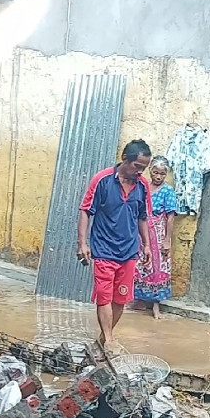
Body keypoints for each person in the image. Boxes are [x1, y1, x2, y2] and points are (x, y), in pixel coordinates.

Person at [77, 139, 152, 350]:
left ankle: (103, 339)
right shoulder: (102, 180)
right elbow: (85, 210)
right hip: (103, 250)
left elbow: (142, 217)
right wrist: (82, 243)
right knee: (104, 297)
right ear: (124, 159)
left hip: (129, 251)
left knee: (121, 298)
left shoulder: (143, 186)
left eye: (143, 168)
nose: (140, 172)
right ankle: (109, 341)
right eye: (137, 166)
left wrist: (146, 245)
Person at [134, 156, 177, 319]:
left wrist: (167, 240)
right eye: (155, 172)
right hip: (142, 230)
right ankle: (140, 300)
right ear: (150, 170)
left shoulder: (168, 191)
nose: (158, 177)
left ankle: (156, 305)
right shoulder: (143, 187)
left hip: (158, 233)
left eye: (162, 174)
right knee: (142, 264)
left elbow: (171, 216)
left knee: (158, 267)